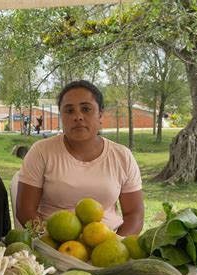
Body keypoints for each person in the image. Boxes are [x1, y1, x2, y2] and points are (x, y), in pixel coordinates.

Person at [16, 80, 144, 236]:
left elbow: (134, 215)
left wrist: (116, 244)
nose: (78, 117)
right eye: (69, 111)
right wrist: (51, 243)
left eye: (86, 109)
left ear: (100, 115)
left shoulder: (122, 156)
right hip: (52, 245)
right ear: (62, 116)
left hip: (107, 245)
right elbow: (25, 211)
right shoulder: (42, 151)